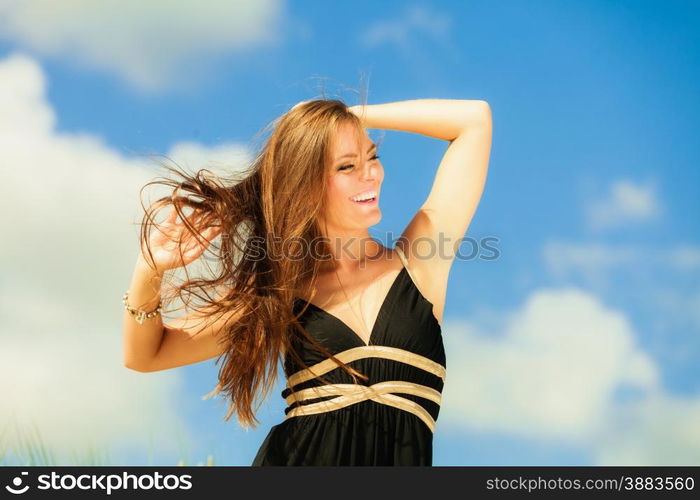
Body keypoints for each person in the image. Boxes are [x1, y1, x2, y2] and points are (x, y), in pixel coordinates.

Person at [122, 97, 492, 466]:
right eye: (347, 166)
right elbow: (147, 355)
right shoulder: (280, 294)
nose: (371, 174)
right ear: (306, 184)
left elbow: (473, 120)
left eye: (373, 156)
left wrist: (342, 117)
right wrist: (149, 270)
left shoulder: (418, 263)